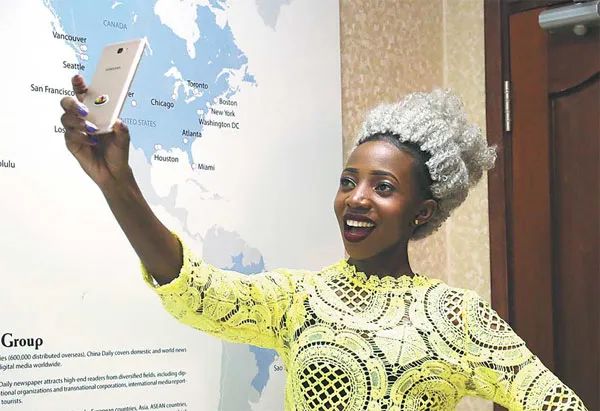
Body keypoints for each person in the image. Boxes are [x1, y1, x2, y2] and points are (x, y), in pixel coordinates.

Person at [59, 75, 587, 411]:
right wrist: (118, 185)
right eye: (348, 181)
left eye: (383, 188)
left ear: (422, 212)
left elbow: (553, 402)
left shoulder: (457, 317)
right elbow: (196, 291)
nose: (356, 198)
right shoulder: (300, 299)